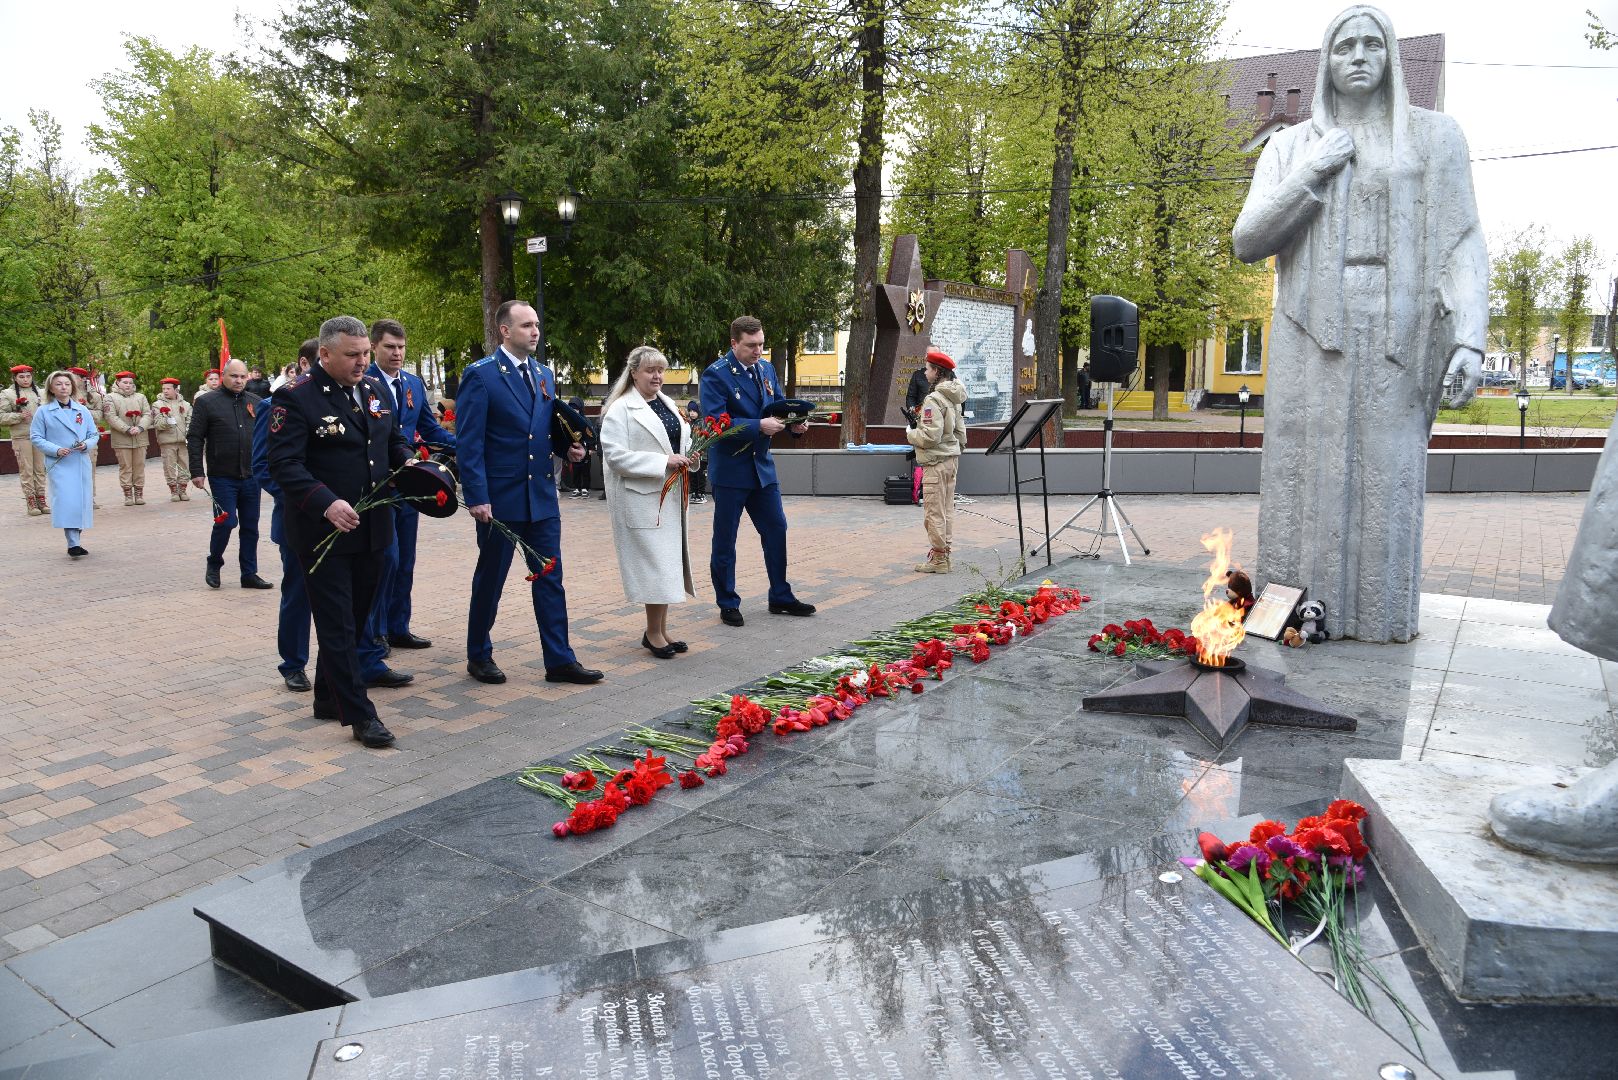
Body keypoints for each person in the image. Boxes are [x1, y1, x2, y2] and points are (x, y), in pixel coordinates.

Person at [1232, 4, 1485, 643]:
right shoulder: (1291, 145)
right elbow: (1248, 239)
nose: (1360, 56)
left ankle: (1379, 617)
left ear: (1392, 57)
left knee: (1386, 474)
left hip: (1398, 329)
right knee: (1302, 472)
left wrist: (1470, 337)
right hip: (1307, 325)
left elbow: (1461, 241)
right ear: (1326, 62)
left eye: (1373, 44)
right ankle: (1291, 614)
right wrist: (1314, 170)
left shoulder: (1434, 137)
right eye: (1344, 46)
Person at [267, 316, 412, 747]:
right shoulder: (295, 397)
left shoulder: (374, 389)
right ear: (325, 354)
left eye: (366, 353)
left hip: (373, 527)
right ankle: (360, 714)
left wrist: (408, 460)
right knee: (337, 625)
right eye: (353, 355)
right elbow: (284, 465)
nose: (362, 362)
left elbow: (390, 440)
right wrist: (326, 502)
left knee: (355, 619)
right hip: (322, 532)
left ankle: (328, 697)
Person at [458, 300, 601, 686]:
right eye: (526, 325)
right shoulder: (481, 375)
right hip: (500, 499)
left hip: (540, 496)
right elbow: (469, 442)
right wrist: (476, 495)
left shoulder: (543, 374)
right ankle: (478, 654)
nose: (535, 331)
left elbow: (543, 428)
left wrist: (567, 449)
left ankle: (559, 659)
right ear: (505, 331)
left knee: (550, 576)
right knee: (492, 577)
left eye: (536, 324)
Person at [699, 315, 814, 627]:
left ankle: (780, 595)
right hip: (731, 471)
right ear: (734, 343)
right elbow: (714, 424)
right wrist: (757, 426)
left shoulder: (766, 369)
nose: (758, 351)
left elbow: (779, 406)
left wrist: (795, 424)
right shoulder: (716, 375)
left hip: (762, 468)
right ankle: (727, 602)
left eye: (762, 344)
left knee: (776, 529)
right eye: (751, 345)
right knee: (726, 540)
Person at [359, 318, 456, 680]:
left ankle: (399, 626)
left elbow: (429, 429)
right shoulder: (363, 382)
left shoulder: (413, 383)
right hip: (378, 486)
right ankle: (377, 630)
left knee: (406, 560)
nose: (397, 353)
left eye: (401, 347)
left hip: (411, 483)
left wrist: (467, 446)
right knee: (387, 558)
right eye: (389, 347)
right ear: (374, 347)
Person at [600, 346, 695, 658]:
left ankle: (660, 630)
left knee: (667, 565)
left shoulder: (665, 402)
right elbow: (615, 457)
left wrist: (689, 455)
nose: (657, 376)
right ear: (634, 373)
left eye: (661, 370)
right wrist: (663, 462)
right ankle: (653, 633)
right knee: (656, 567)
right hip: (641, 500)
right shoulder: (620, 409)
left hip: (668, 497)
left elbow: (677, 441)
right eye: (650, 370)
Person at [253, 347, 314, 693]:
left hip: (342, 518)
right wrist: (304, 498)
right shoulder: (274, 404)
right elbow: (264, 466)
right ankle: (293, 664)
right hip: (298, 517)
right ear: (305, 363)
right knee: (298, 593)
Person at [189, 359, 273, 590]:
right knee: (226, 523)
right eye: (234, 376)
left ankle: (249, 573)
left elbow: (267, 438)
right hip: (222, 475)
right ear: (223, 376)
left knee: (250, 526)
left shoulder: (256, 402)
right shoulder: (206, 402)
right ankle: (214, 562)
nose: (238, 381)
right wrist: (196, 471)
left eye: (243, 376)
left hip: (251, 476)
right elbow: (195, 437)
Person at [904, 350, 967, 573]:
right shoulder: (954, 397)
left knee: (933, 512)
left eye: (928, 368)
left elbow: (930, 436)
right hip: (951, 461)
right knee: (947, 509)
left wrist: (911, 434)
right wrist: (954, 451)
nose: (925, 372)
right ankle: (944, 555)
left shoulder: (933, 399)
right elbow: (961, 433)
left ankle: (938, 560)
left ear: (937, 372)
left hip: (935, 463)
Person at [29, 370, 100, 557]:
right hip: (60, 463)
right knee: (67, 501)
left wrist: (86, 444)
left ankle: (75, 539)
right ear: (51, 388)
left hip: (80, 461)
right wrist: (56, 449)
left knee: (80, 503)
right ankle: (73, 543)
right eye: (59, 384)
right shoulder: (43, 411)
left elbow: (93, 434)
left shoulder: (82, 410)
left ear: (72, 387)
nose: (63, 387)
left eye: (67, 384)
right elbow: (36, 437)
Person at [1, 364, 46, 516]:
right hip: (22, 437)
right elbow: (1, 416)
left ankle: (41, 498)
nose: (26, 379)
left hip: (40, 437)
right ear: (15, 378)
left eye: (28, 376)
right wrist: (18, 416)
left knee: (40, 469)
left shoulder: (41, 392)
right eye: (21, 377)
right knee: (26, 470)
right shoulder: (7, 394)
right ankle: (31, 501)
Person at [101, 371, 151, 506]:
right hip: (122, 439)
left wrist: (140, 427)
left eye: (130, 383)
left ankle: (139, 494)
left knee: (139, 466)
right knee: (125, 467)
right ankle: (128, 494)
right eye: (125, 382)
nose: (128, 385)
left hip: (140, 437)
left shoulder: (141, 397)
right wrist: (126, 429)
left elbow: (147, 414)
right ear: (118, 383)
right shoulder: (110, 397)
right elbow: (110, 416)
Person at [150, 377, 192, 500]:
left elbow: (190, 420)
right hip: (167, 441)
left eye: (168, 388)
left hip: (183, 441)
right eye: (163, 389)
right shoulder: (157, 405)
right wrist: (167, 421)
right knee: (169, 466)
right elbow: (157, 423)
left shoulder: (186, 405)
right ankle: (173, 491)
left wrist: (188, 432)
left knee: (185, 465)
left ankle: (182, 490)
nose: (165, 391)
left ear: (176, 390)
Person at [69, 366, 104, 509]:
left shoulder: (94, 396)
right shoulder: (64, 396)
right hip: (69, 438)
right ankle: (72, 499)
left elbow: (99, 416)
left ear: (83, 379)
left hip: (88, 437)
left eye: (73, 377)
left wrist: (83, 409)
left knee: (89, 468)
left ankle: (89, 497)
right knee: (70, 470)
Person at [902, 363, 930, 504]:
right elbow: (911, 397)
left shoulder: (948, 376)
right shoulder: (918, 375)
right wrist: (912, 409)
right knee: (920, 457)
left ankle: (931, 492)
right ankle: (919, 491)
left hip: (936, 426)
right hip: (920, 422)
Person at [561, 396, 593, 498]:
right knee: (575, 469)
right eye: (572, 408)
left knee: (585, 469)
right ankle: (577, 488)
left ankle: (585, 488)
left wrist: (591, 448)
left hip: (585, 448)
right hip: (574, 448)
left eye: (576, 408)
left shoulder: (586, 420)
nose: (574, 410)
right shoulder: (568, 421)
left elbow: (591, 435)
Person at [682, 400, 708, 504]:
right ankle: (694, 493)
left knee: (700, 475)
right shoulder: (689, 423)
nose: (692, 413)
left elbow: (704, 437)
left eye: (694, 411)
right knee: (692, 473)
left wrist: (701, 450)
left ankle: (701, 494)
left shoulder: (703, 423)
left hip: (701, 454)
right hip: (691, 454)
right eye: (690, 411)